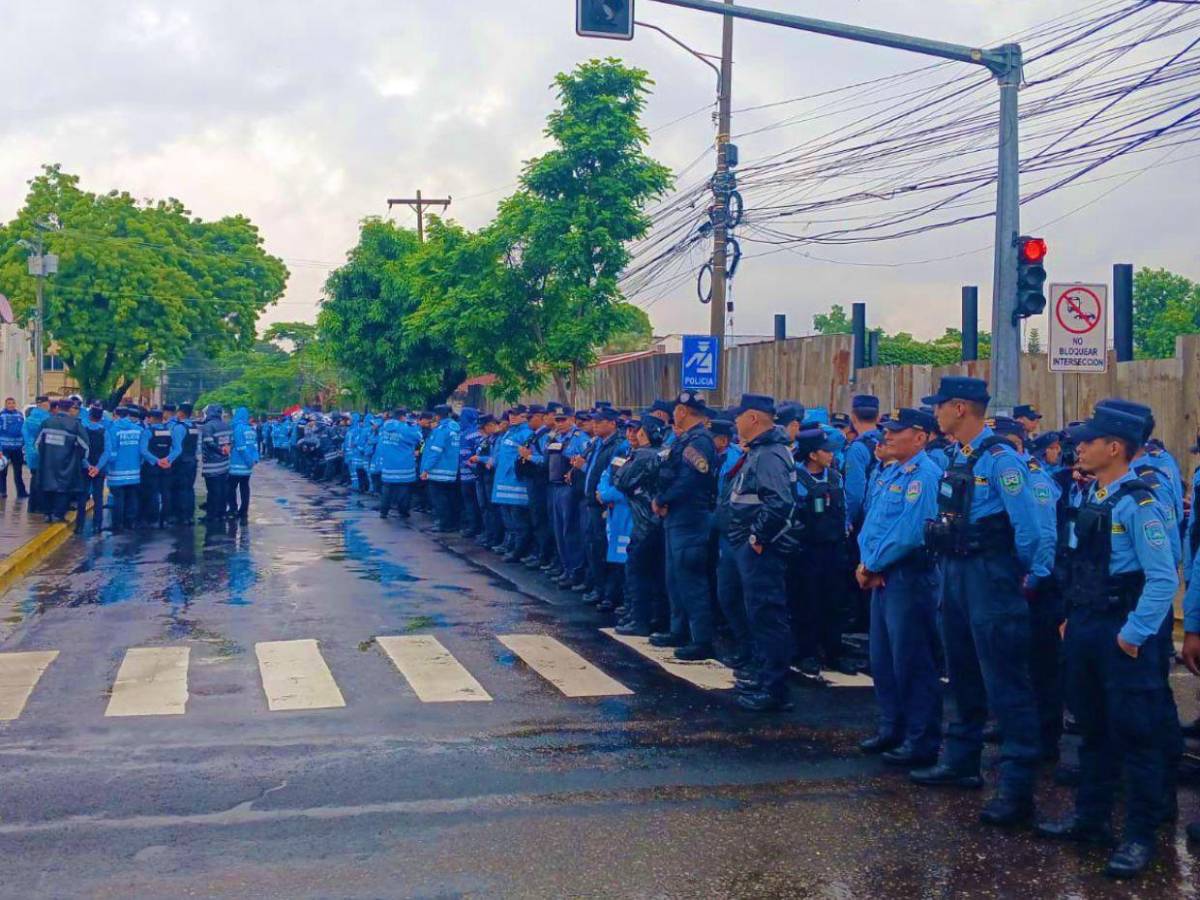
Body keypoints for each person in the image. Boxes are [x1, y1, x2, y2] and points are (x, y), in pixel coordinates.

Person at [1035, 406, 1179, 880]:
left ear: (1114, 447)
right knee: (1092, 729)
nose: (1080, 446)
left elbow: (1162, 579)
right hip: (1087, 627)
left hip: (1122, 633)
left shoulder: (1140, 503)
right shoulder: (1094, 493)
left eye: (1090, 440)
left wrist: (1133, 637)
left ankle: (1139, 835)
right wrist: (1070, 619)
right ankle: (1090, 819)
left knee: (1137, 735)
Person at [914, 376, 1053, 828]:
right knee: (963, 671)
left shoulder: (1000, 460)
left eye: (940, 406)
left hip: (990, 576)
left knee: (1006, 682)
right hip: (956, 572)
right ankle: (961, 760)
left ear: (960, 407)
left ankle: (1017, 788)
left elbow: (1030, 526)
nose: (935, 413)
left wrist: (1025, 577)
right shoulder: (961, 456)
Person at [857, 407, 944, 767]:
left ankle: (921, 739)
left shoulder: (924, 475)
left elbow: (910, 533)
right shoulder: (890, 471)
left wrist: (873, 565)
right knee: (883, 658)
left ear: (920, 437)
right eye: (887, 431)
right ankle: (892, 726)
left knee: (912, 660)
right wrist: (866, 563)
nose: (887, 437)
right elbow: (872, 523)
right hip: (881, 575)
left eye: (897, 431)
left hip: (907, 576)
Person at [725, 393, 803, 712]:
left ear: (753, 418)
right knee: (757, 613)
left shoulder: (769, 453)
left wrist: (757, 536)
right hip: (752, 547)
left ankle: (775, 688)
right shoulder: (762, 450)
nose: (735, 422)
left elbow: (779, 502)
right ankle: (763, 675)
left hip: (762, 549)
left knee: (767, 614)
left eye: (739, 416)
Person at [652, 391, 719, 661]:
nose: (674, 413)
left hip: (691, 518)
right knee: (675, 577)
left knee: (691, 580)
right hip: (677, 517)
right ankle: (678, 630)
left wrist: (663, 499)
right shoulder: (685, 438)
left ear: (683, 411)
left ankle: (701, 639)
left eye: (677, 409)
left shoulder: (699, 440)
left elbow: (690, 480)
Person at [791, 427, 854, 677]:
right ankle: (806, 652)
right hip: (806, 550)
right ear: (812, 454)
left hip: (834, 548)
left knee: (835, 602)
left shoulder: (835, 477)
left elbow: (845, 507)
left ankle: (834, 652)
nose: (831, 455)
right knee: (806, 602)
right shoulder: (795, 478)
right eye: (826, 451)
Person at [711, 416, 750, 668]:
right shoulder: (726, 458)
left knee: (739, 595)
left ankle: (749, 650)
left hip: (740, 536)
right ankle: (744, 646)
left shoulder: (736, 459)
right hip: (724, 532)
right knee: (726, 593)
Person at [581, 407, 625, 605]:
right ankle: (598, 587)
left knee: (604, 549)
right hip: (592, 502)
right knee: (593, 547)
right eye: (594, 422)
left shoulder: (618, 446)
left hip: (604, 506)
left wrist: (603, 495)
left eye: (600, 422)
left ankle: (609, 594)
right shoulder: (597, 443)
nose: (595, 425)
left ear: (612, 423)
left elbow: (613, 476)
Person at [34, 399, 89, 523]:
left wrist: (44, 455)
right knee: (63, 490)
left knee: (47, 487)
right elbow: (85, 446)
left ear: (58, 407)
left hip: (47, 462)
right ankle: (58, 515)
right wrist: (80, 459)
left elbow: (37, 443)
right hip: (67, 464)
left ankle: (47, 514)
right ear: (70, 409)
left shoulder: (47, 422)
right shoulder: (75, 425)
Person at [491, 407, 534, 561]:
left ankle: (518, 551)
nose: (512, 417)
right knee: (507, 519)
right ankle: (509, 545)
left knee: (519, 520)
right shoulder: (509, 432)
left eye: (517, 415)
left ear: (524, 417)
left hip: (517, 484)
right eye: (511, 415)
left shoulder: (526, 433)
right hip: (503, 483)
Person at [420, 404, 461, 532]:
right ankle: (451, 524)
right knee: (450, 499)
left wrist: (426, 469)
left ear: (437, 416)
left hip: (438, 471)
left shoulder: (441, 430)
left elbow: (435, 452)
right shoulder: (455, 428)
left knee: (439, 500)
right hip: (451, 470)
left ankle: (443, 524)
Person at [375, 410, 422, 519]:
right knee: (404, 491)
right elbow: (419, 438)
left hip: (388, 464)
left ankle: (384, 512)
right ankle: (403, 512)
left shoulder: (385, 427)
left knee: (387, 489)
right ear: (402, 417)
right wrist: (415, 427)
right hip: (404, 465)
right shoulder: (405, 428)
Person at [78, 403, 110, 535]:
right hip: (99, 469)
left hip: (84, 468)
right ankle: (97, 525)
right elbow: (107, 452)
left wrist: (87, 465)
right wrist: (97, 468)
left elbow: (79, 450)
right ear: (101, 417)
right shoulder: (104, 432)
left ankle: (79, 526)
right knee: (98, 497)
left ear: (89, 415)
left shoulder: (82, 429)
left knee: (82, 497)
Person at [199, 404, 233, 526]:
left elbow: (209, 443)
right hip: (224, 464)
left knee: (213, 491)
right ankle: (221, 513)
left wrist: (219, 450)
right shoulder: (226, 425)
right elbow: (230, 442)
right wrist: (225, 450)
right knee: (223, 490)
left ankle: (211, 515)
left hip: (212, 465)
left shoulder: (208, 426)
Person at [227, 406, 259, 522]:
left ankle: (233, 509)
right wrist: (254, 460)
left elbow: (240, 447)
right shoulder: (251, 429)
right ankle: (244, 511)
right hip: (247, 468)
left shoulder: (238, 428)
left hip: (236, 465)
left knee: (231, 488)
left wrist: (248, 460)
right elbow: (255, 447)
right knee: (245, 488)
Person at [457, 407, 482, 537]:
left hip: (472, 474)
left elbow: (478, 452)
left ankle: (474, 528)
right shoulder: (464, 432)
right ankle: (472, 526)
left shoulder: (474, 433)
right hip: (464, 473)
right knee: (469, 502)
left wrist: (469, 463)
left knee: (473, 502)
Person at [23, 395, 50, 513]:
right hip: (41, 453)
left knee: (34, 479)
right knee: (40, 481)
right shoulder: (46, 418)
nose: (49, 406)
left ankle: (32, 506)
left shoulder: (29, 418)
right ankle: (39, 506)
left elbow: (24, 434)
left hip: (30, 453)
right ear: (43, 404)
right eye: (47, 403)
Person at [0, 397, 28, 499]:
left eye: (13, 403)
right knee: (3, 472)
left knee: (18, 472)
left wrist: (23, 443)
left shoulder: (20, 415)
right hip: (5, 448)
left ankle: (21, 492)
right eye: (9, 403)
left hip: (17, 448)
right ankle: (2, 491)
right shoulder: (2, 415)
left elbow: (23, 430)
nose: (11, 405)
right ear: (5, 404)